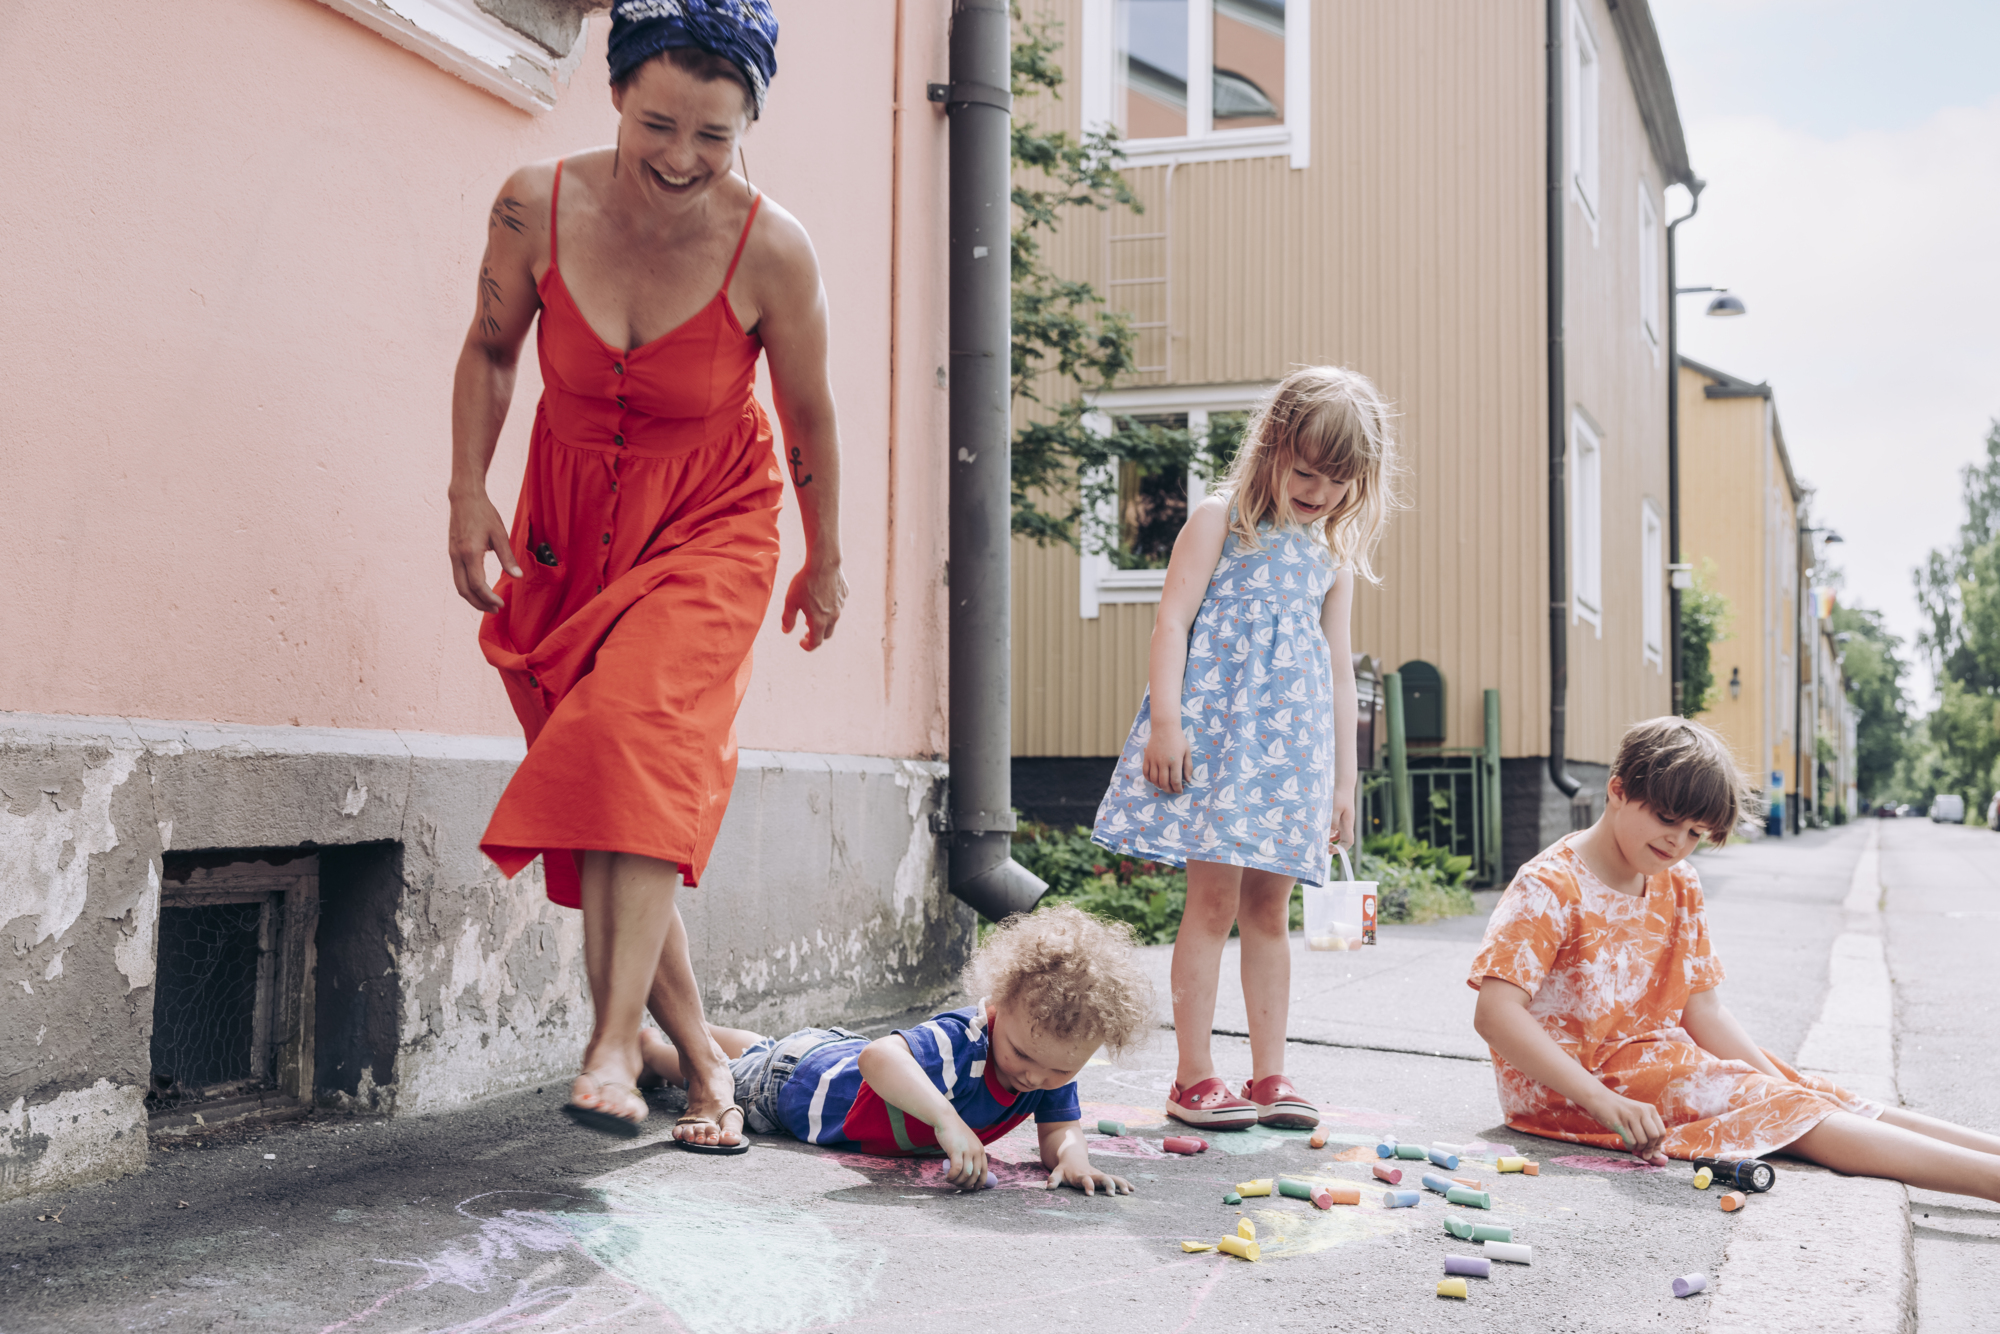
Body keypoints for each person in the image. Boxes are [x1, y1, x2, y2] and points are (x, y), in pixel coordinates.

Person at [446, 0, 847, 1150]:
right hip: (570, 524)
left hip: (713, 518)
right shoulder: (533, 202)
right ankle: (705, 1065)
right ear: (614, 92)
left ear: (746, 128)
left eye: (713, 136)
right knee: (607, 785)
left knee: (628, 742)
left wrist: (828, 556)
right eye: (660, 123)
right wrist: (466, 489)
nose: (680, 157)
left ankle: (616, 1043)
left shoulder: (772, 246)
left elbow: (809, 410)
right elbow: (488, 348)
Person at [1471, 716, 2000, 1202]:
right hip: (1572, 1089)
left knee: (1812, 1091)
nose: (1678, 842)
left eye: (1696, 834)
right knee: (1785, 1106)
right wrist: (1601, 1100)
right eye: (1668, 819)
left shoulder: (1676, 882)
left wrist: (1782, 1083)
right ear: (1617, 790)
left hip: (1652, 1066)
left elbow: (1704, 1012)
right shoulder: (1549, 885)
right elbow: (1495, 1013)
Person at [1089, 367, 1399, 1131]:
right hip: (1220, 746)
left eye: (1338, 480)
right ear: (1270, 445)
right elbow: (1171, 622)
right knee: (1215, 902)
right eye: (1305, 470)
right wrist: (1167, 723)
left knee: (1270, 909)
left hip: (1290, 760)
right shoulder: (1219, 520)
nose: (1319, 491)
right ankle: (1193, 1076)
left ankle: (1270, 1075)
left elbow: (1338, 670)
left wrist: (1342, 782)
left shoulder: (1331, 555)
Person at [637, 905, 1154, 1194]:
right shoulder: (963, 1042)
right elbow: (878, 1058)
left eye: (1060, 1070)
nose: (1035, 1079)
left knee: (765, 1049)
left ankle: (695, 1030)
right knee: (741, 1069)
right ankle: (657, 1056)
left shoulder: (1046, 1067)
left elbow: (1059, 1128)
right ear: (996, 1006)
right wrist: (948, 1121)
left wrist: (1074, 1159)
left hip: (818, 1056)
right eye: (1022, 1056)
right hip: (797, 1090)